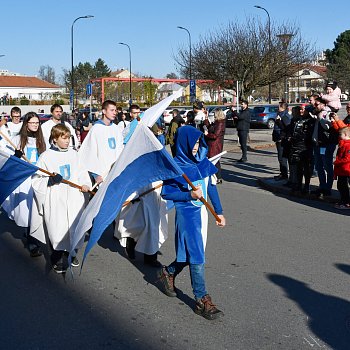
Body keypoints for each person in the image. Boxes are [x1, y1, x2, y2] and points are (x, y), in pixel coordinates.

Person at [158, 125, 226, 320]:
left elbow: (211, 187)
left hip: (202, 214)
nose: (196, 146)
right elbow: (167, 193)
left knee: (190, 254)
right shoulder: (175, 167)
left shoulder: (202, 162)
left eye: (198, 142)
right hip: (187, 214)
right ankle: (201, 298)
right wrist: (189, 194)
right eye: (193, 142)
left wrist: (219, 212)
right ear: (184, 143)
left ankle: (168, 272)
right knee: (196, 254)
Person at [30, 124, 91, 273]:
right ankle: (56, 256)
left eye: (68, 138)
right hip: (55, 197)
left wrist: (85, 183)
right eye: (63, 138)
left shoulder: (74, 154)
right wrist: (49, 181)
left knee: (74, 225)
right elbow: (36, 180)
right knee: (57, 228)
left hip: (74, 196)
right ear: (55, 139)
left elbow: (82, 171)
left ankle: (70, 251)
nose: (67, 141)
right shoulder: (46, 156)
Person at [1, 112, 46, 257]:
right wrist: (16, 156)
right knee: (28, 210)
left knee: (39, 208)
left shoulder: (41, 139)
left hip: (39, 178)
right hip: (24, 180)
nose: (34, 125)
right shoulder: (17, 139)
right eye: (32, 123)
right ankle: (32, 239)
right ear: (26, 124)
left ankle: (35, 235)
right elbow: (7, 159)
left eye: (37, 123)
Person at [78, 100, 124, 186]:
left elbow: (120, 149)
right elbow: (89, 153)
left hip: (116, 172)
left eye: (115, 110)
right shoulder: (96, 129)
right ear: (104, 111)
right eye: (112, 110)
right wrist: (95, 174)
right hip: (103, 174)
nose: (114, 113)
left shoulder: (116, 128)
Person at [311, 97, 337, 197]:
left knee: (327, 166)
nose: (315, 106)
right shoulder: (318, 113)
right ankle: (322, 186)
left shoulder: (328, 113)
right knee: (318, 166)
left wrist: (321, 118)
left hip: (327, 144)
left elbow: (328, 127)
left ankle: (328, 188)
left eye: (317, 104)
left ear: (323, 104)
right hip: (318, 144)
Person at [287, 104, 315, 194]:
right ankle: (298, 185)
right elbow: (293, 131)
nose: (302, 111)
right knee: (298, 167)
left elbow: (309, 134)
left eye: (304, 110)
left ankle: (306, 186)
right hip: (296, 146)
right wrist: (291, 137)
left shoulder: (311, 121)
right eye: (301, 110)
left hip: (306, 147)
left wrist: (299, 137)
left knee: (306, 168)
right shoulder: (298, 119)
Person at [204, 109, 226, 183]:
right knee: (214, 160)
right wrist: (206, 120)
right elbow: (211, 128)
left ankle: (218, 177)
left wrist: (207, 134)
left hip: (215, 145)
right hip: (213, 144)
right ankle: (215, 177)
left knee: (215, 161)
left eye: (214, 114)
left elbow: (215, 135)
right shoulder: (217, 123)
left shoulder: (220, 123)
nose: (213, 116)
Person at [273, 102, 291, 181]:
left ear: (282, 108)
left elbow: (286, 128)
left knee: (282, 157)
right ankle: (282, 173)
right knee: (280, 157)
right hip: (278, 137)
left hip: (282, 139)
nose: (277, 108)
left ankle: (284, 174)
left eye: (279, 107)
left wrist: (278, 122)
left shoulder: (284, 116)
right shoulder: (280, 114)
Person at [333, 127, 350, 209]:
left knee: (344, 187)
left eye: (340, 134)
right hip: (341, 170)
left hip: (346, 170)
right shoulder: (342, 144)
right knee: (340, 186)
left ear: (346, 134)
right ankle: (343, 200)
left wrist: (337, 162)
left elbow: (348, 158)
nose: (339, 136)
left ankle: (346, 202)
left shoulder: (348, 145)